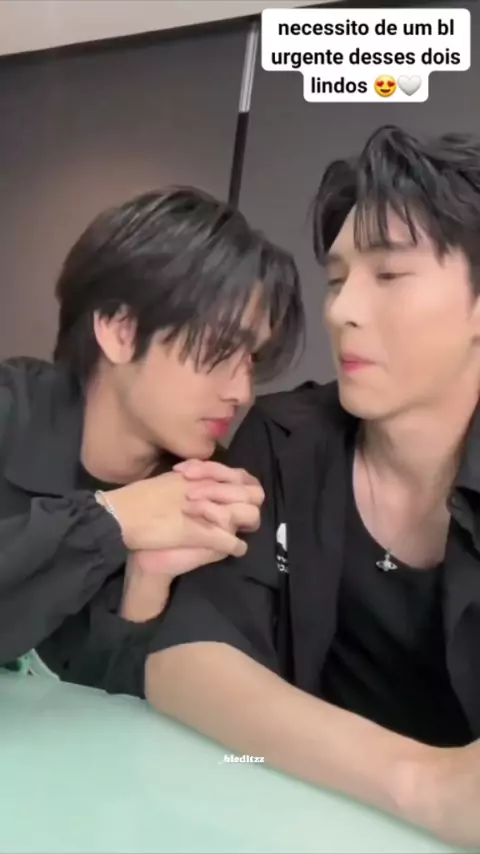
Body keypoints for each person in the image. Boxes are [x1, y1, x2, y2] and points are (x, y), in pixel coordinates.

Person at [59, 125, 480, 848]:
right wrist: (424, 782)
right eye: (338, 280)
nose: (340, 310)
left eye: (388, 275)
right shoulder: (280, 440)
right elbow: (186, 659)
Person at [0, 186, 303, 668]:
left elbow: (105, 700)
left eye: (251, 358)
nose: (242, 391)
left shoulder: (205, 488)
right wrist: (111, 520)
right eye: (221, 348)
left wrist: (146, 585)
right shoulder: (11, 410)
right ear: (120, 330)